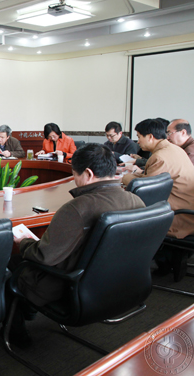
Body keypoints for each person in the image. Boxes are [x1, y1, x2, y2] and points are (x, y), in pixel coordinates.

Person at [10, 144, 145, 346]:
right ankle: (29, 309)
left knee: (11, 265)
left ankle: (16, 334)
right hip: (120, 284)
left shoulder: (77, 208)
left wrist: (24, 242)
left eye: (74, 174)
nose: (74, 179)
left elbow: (44, 256)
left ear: (88, 173)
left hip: (72, 286)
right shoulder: (136, 201)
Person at [122, 119, 194, 280]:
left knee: (127, 220)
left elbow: (145, 189)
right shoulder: (174, 149)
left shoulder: (160, 156)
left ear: (150, 136)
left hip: (179, 216)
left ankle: (133, 273)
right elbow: (153, 178)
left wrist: (125, 177)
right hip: (186, 208)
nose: (138, 141)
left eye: (139, 136)